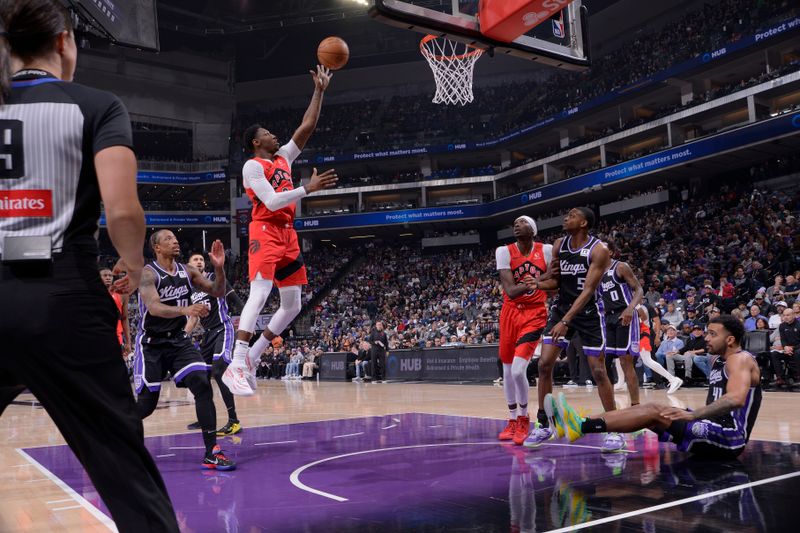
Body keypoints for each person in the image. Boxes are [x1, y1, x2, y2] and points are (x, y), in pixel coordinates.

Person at [0, 1, 179, 529]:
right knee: (122, 469)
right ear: (63, 42)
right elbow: (123, 209)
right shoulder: (97, 105)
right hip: (62, 296)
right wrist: (129, 264)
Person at [223, 65, 339, 396]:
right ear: (257, 141)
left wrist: (319, 90)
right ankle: (237, 363)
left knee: (292, 304)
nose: (277, 136)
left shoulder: (284, 158)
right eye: (270, 134)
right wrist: (308, 188)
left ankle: (254, 357)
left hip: (288, 233)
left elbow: (307, 126)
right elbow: (272, 202)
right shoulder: (252, 166)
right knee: (260, 294)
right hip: (265, 230)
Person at [550, 315, 762, 460]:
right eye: (707, 333)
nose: (706, 337)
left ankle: (581, 426)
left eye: (713, 334)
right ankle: (580, 423)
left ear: (731, 339)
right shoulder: (719, 360)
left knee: (653, 412)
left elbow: (736, 399)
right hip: (710, 425)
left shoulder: (740, 359)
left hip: (730, 436)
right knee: (650, 409)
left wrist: (692, 414)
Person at [134, 230, 235, 471]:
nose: (175, 241)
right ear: (156, 248)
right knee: (146, 405)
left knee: (201, 382)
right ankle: (117, 439)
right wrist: (186, 310)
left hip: (178, 341)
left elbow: (217, 291)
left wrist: (219, 268)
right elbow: (155, 307)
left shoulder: (188, 271)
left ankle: (212, 451)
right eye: (168, 239)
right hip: (151, 343)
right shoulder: (148, 274)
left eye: (176, 238)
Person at [524, 208, 620, 452]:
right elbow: (555, 281)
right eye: (565, 214)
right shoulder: (558, 244)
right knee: (544, 365)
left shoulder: (599, 250)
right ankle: (544, 423)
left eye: (573, 215)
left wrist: (565, 321)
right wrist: (539, 282)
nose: (566, 217)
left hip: (587, 313)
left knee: (599, 370)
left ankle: (613, 427)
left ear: (584, 222)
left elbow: (588, 290)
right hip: (562, 308)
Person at [495, 216, 551, 446]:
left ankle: (523, 417)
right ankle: (511, 418)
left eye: (522, 222)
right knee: (507, 371)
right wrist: (537, 281)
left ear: (533, 229)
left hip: (534, 313)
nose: (516, 224)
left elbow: (555, 278)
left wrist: (539, 281)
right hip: (510, 312)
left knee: (519, 370)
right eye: (514, 222)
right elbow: (510, 290)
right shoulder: (504, 251)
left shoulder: (546, 250)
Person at [183, 252, 243, 436]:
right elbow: (193, 319)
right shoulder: (190, 290)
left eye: (201, 259)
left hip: (223, 328)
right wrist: (183, 335)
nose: (200, 262)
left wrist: (245, 320)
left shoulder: (213, 278)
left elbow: (235, 300)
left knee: (219, 371)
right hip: (208, 335)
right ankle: (206, 418)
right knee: (200, 376)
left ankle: (234, 421)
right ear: (188, 265)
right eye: (195, 260)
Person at [599, 241, 643, 407]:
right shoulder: (595, 273)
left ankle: (635, 406)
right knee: (604, 361)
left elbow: (639, 289)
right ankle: (611, 406)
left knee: (625, 361)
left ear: (610, 252)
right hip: (606, 318)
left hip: (624, 315)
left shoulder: (620, 267)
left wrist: (631, 309)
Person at [637, 305, 683, 392]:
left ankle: (668, 380)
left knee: (648, 359)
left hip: (643, 334)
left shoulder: (643, 307)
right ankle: (622, 381)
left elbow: (653, 320)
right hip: (633, 335)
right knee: (621, 358)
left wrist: (657, 336)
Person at [100, 267, 130, 355]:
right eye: (105, 275)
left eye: (110, 275)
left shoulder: (122, 294)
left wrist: (128, 342)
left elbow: (124, 318)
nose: (108, 277)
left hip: (116, 339)